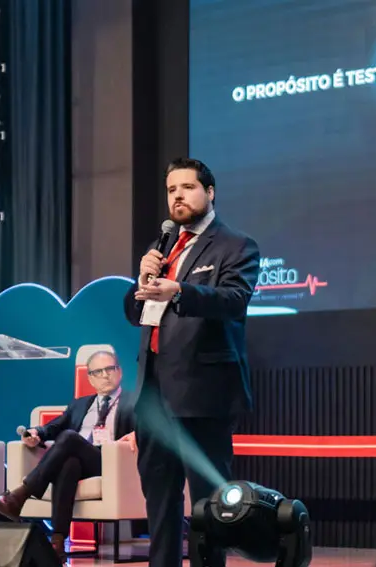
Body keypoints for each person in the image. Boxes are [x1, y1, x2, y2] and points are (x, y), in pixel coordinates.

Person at [123, 157, 260, 567]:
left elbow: (234, 300)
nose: (177, 196)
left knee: (208, 505)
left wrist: (179, 291)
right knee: (159, 503)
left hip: (202, 394)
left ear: (210, 192)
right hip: (152, 396)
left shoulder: (236, 245)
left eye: (187, 187)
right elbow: (135, 313)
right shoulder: (161, 246)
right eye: (171, 190)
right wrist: (141, 282)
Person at [0, 350, 136, 562]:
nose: (105, 375)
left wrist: (138, 434)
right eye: (98, 372)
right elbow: (54, 427)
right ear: (90, 378)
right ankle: (57, 543)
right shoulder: (79, 404)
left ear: (119, 371)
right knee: (69, 464)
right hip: (80, 460)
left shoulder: (135, 401)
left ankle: (21, 494)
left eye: (110, 369)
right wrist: (36, 432)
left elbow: (152, 429)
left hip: (109, 462)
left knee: (70, 437)